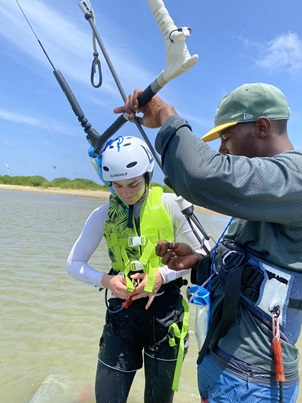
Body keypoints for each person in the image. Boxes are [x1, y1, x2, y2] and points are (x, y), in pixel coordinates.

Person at [114, 83, 302, 402]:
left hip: (252, 382)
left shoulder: (295, 178)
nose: (222, 150)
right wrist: (199, 262)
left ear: (261, 126)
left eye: (226, 139)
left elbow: (198, 175)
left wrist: (166, 116)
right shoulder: (265, 197)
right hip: (225, 369)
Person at [66, 135, 209, 403]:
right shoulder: (102, 214)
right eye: (117, 186)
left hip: (166, 318)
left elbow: (205, 251)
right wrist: (106, 280)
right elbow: (73, 264)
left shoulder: (171, 204)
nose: (126, 193)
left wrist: (162, 276)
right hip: (122, 317)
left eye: (133, 184)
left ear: (147, 175)